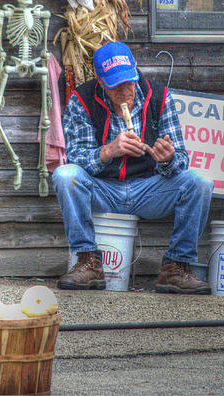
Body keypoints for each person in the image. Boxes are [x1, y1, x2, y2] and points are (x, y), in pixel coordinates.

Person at [53, 41, 213, 294]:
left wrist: (167, 159)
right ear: (100, 80)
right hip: (103, 189)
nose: (124, 90)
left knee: (199, 181)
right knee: (65, 176)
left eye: (128, 81)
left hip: (148, 189)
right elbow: (75, 158)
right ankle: (88, 261)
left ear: (136, 69)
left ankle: (175, 267)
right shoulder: (82, 101)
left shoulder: (158, 96)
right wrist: (109, 151)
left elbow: (181, 158)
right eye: (114, 85)